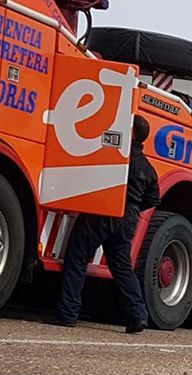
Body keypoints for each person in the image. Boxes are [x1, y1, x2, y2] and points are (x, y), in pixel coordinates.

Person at [47, 114, 161, 333]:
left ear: (131, 132)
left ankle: (68, 313)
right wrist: (134, 207)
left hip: (104, 210)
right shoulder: (148, 167)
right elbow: (153, 198)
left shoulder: (115, 155)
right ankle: (137, 316)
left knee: (77, 258)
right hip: (128, 219)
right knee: (122, 268)